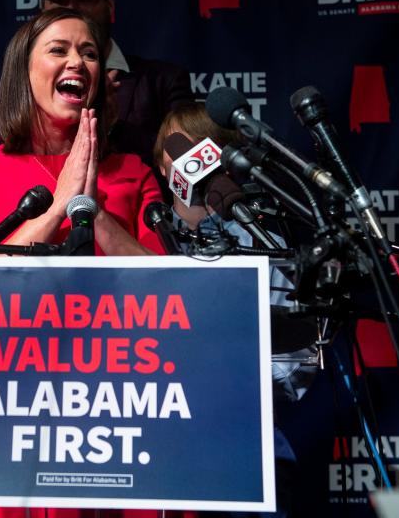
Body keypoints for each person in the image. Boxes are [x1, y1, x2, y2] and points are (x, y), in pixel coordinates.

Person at [153, 103, 316, 518]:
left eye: (195, 145)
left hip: (245, 452)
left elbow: (296, 360)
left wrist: (226, 392)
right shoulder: (148, 231)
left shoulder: (258, 235)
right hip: (158, 453)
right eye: (173, 146)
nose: (183, 157)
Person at [0, 7, 164, 257]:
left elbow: (164, 282)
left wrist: (91, 211)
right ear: (23, 70)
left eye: (90, 54)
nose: (77, 62)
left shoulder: (134, 173)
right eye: (58, 50)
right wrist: (58, 206)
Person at [0, 0, 194, 167]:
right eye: (59, 0)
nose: (73, 8)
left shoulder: (164, 81)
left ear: (109, 5)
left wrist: (110, 126)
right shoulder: (13, 89)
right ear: (42, 12)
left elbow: (188, 166)